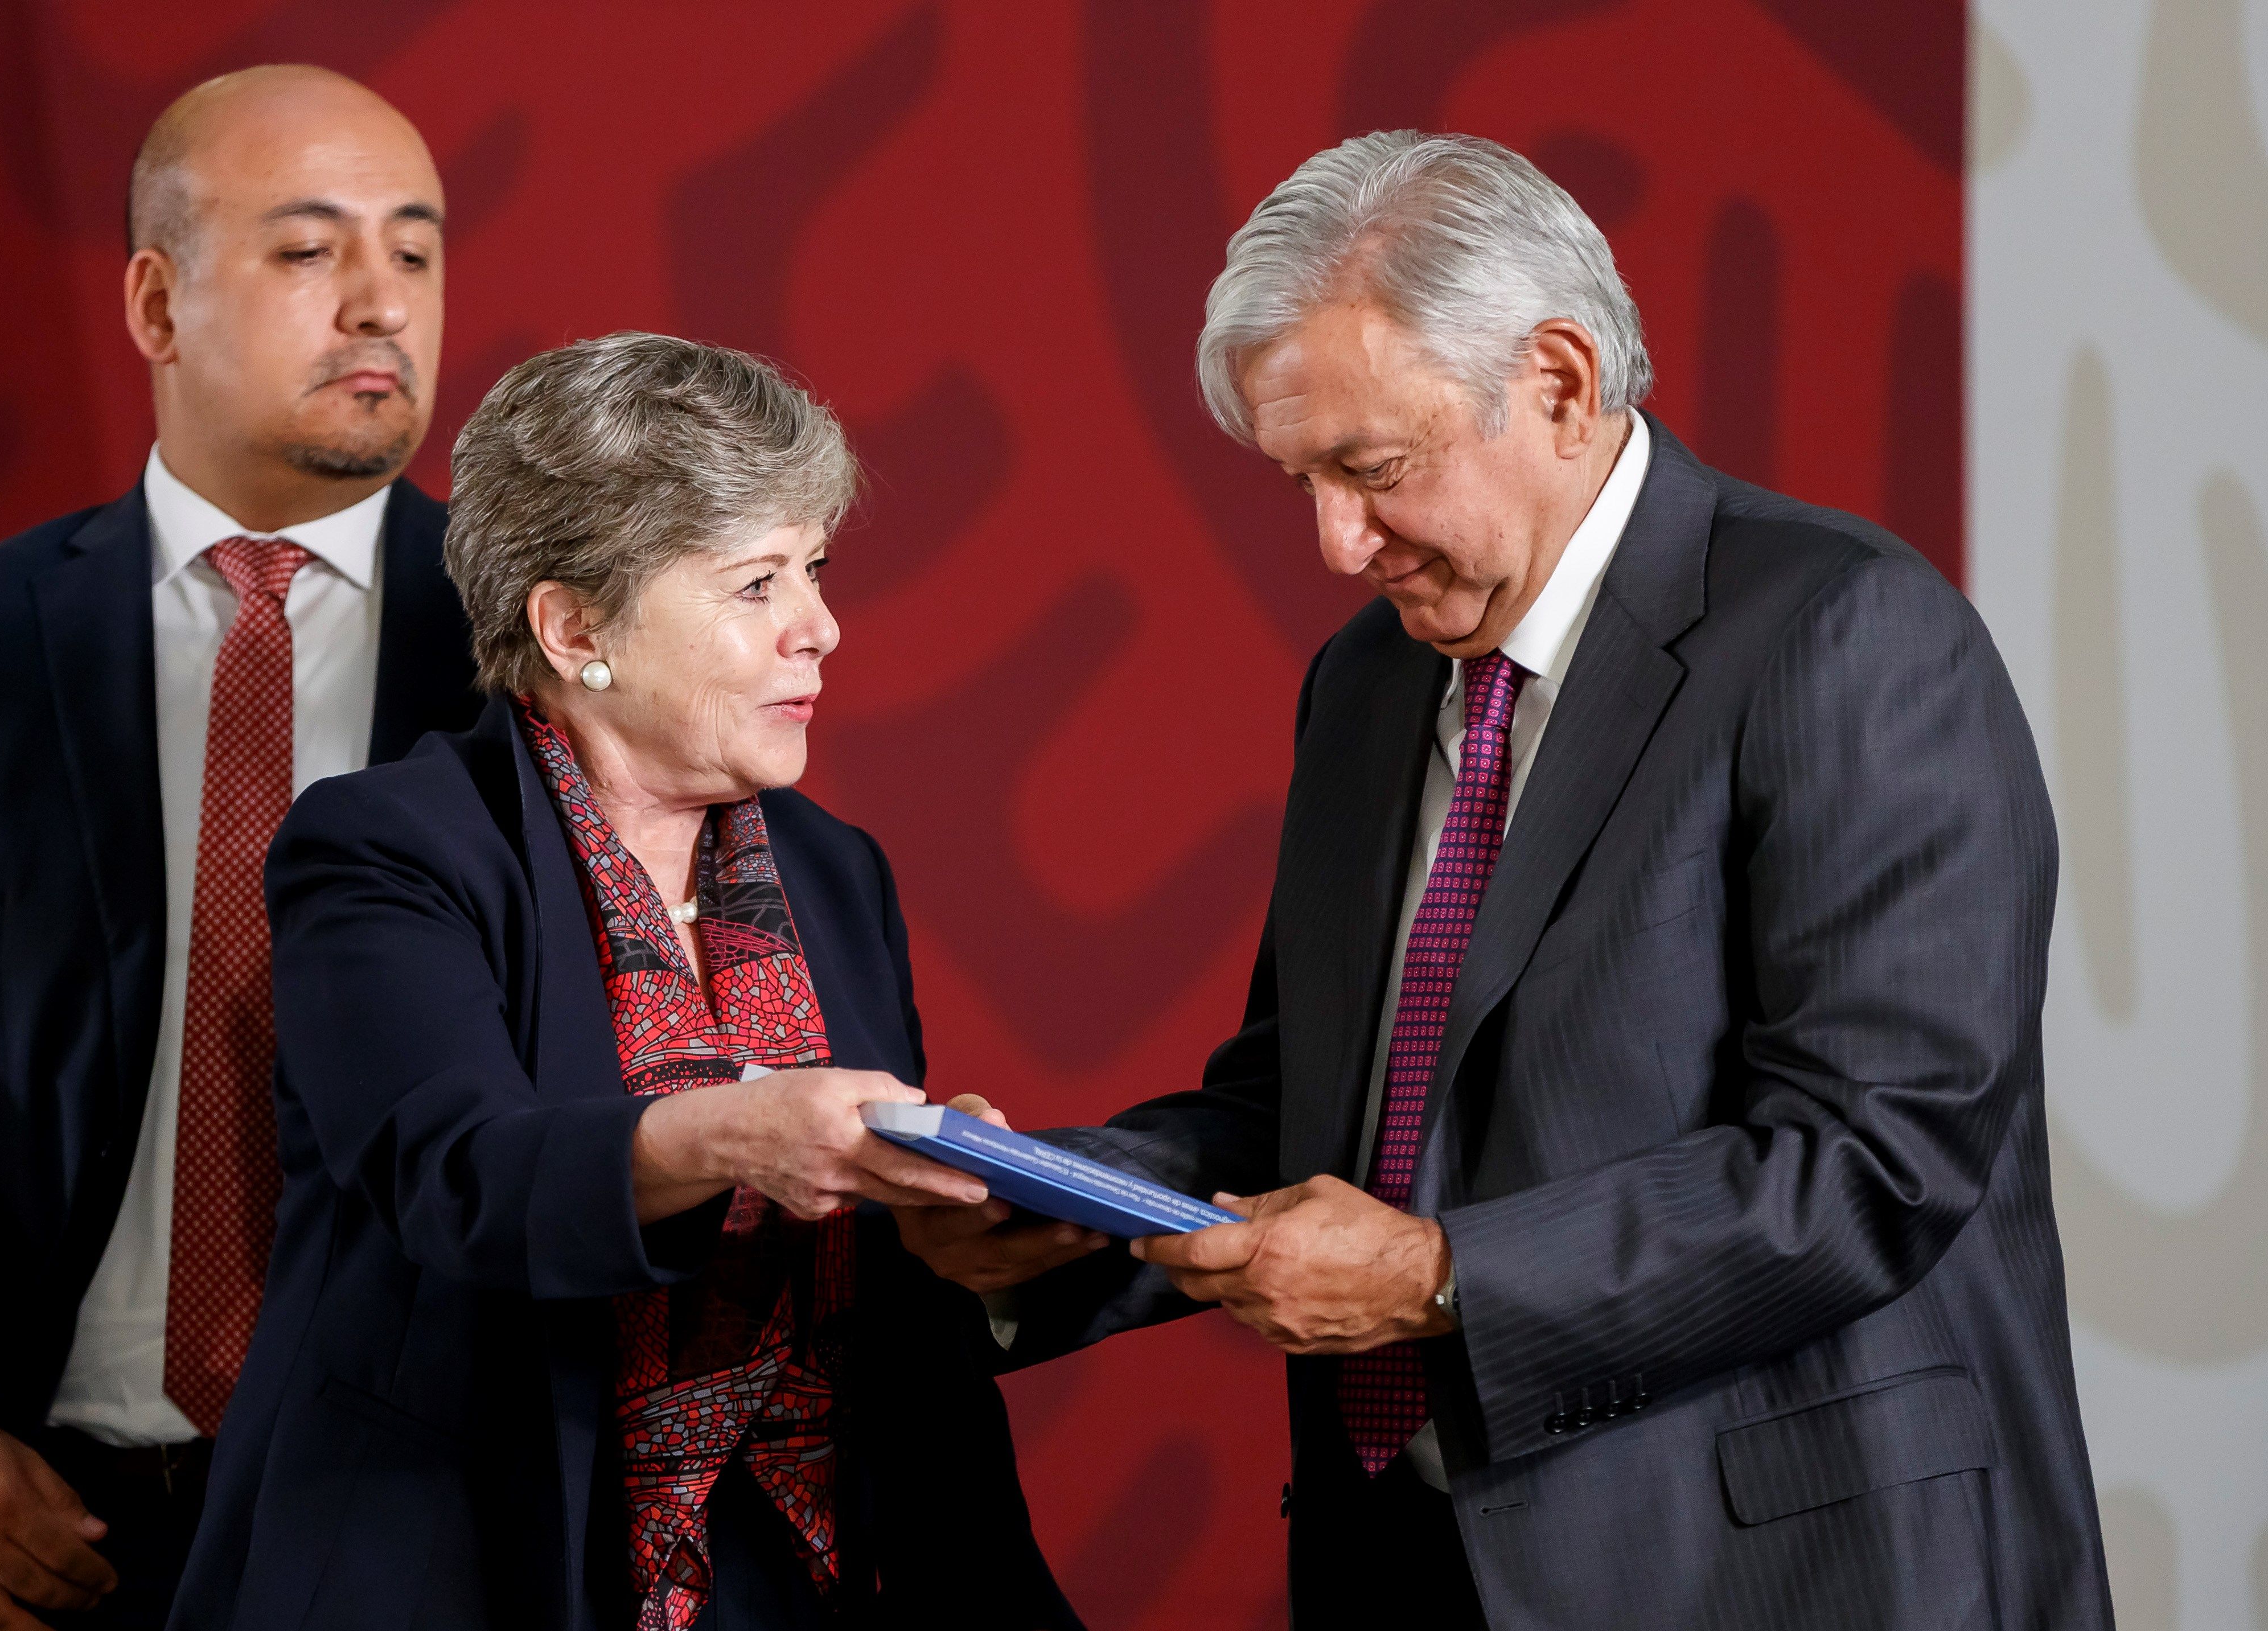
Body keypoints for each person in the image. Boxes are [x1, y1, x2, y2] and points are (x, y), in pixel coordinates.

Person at [900, 132, 2113, 1630]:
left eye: (1373, 471)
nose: (1336, 543)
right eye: (1303, 481)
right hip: (1399, 1562)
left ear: (1556, 380)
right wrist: (1067, 1213)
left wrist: (1438, 1275)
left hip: (1774, 1570)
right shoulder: (1366, 681)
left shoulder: (1846, 632)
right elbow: (1313, 1103)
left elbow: (1878, 1156)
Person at [170, 332, 1080, 1631]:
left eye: (813, 567)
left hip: (806, 1565)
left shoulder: (835, 869)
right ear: (573, 623)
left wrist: (943, 1219)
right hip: (475, 1562)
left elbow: (862, 1279)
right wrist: (735, 1134)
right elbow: (461, 1176)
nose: (819, 625)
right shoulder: (383, 846)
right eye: (756, 582)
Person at [0, 65, 479, 1631]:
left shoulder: (538, 648)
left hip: (427, 1534)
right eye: (312, 252)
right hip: (23, 1534)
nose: (381, 303)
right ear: (155, 302)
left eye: (417, 250)